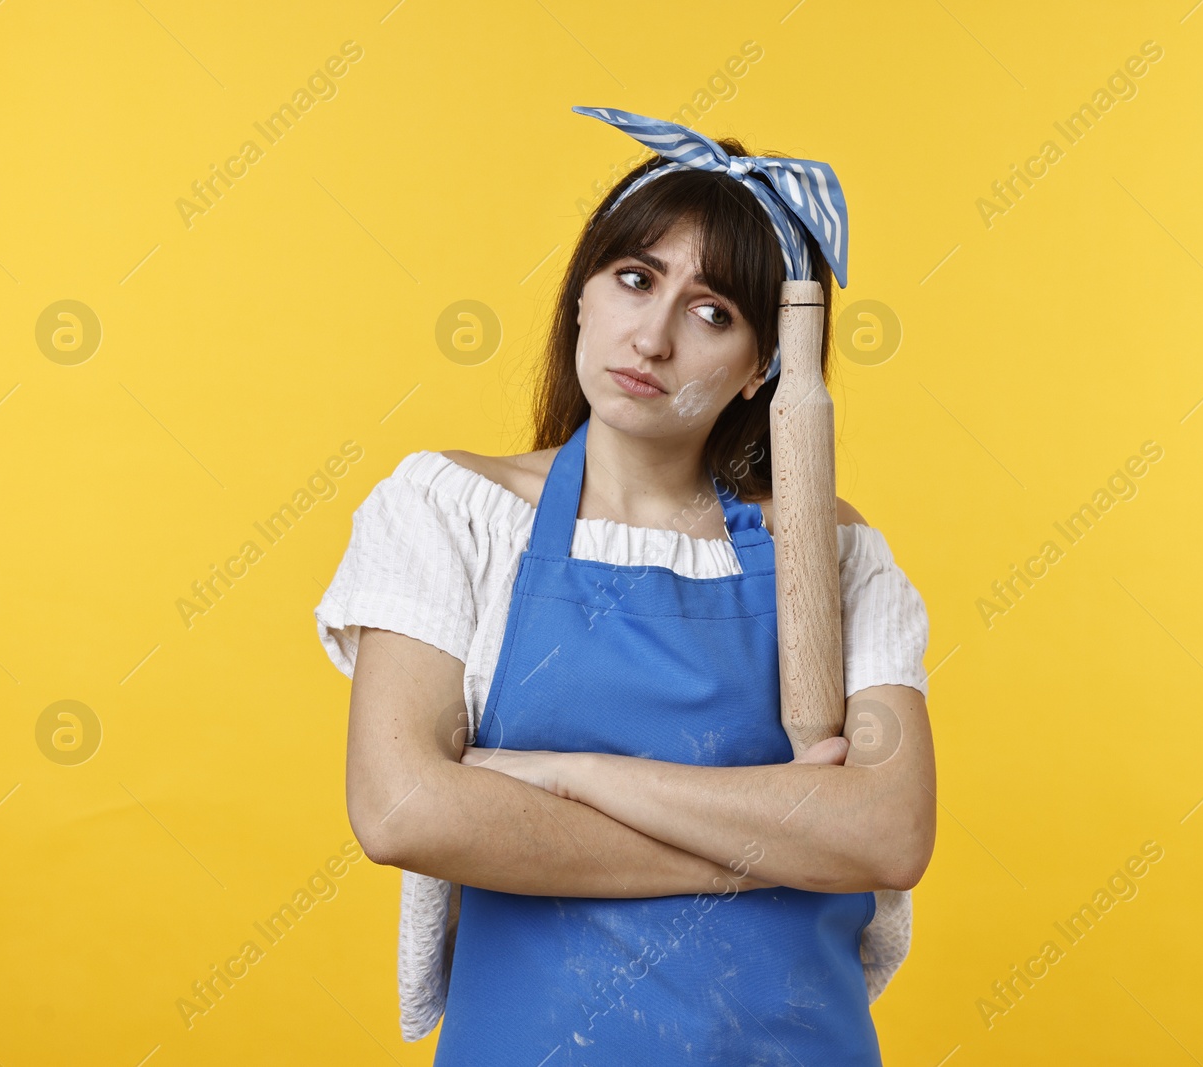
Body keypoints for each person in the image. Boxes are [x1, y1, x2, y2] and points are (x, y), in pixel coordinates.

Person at [315, 107, 935, 1064]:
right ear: (581, 298)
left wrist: (569, 774)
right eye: (635, 279)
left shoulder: (837, 555)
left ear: (760, 369)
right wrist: (775, 843)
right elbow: (406, 809)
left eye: (713, 312)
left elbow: (888, 834)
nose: (652, 338)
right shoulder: (450, 513)